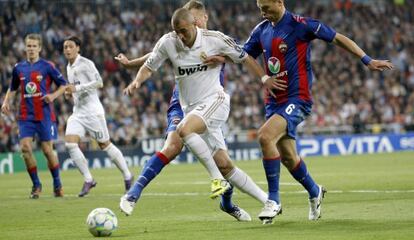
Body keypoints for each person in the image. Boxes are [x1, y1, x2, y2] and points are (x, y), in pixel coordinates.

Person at [119, 4, 284, 220]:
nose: (180, 35)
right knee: (225, 164)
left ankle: (215, 181)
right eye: (176, 31)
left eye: (184, 29)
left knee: (183, 131)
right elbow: (151, 61)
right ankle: (268, 201)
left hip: (215, 101)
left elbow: (243, 56)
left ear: (198, 21)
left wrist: (264, 78)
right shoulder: (169, 42)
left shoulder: (215, 39)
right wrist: (137, 80)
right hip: (188, 106)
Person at [243, 0, 394, 223]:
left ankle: (273, 200)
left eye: (266, 7)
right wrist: (264, 78)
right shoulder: (261, 30)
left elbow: (338, 38)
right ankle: (315, 191)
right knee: (287, 157)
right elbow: (244, 56)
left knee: (265, 136)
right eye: (259, 8)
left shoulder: (301, 25)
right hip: (274, 103)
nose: (262, 12)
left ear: (279, 2)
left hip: (298, 98)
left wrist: (367, 59)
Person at [63, 36, 133, 197]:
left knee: (105, 145)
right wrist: (70, 93)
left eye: (70, 46)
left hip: (93, 113)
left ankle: (128, 176)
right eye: (65, 47)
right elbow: (75, 88)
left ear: (78, 48)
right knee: (70, 144)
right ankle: (89, 179)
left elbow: (99, 82)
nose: (67, 49)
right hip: (78, 113)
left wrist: (77, 89)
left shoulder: (86, 63)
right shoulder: (69, 66)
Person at [0, 33, 68, 199]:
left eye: (33, 46)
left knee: (47, 150)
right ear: (25, 47)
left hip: (44, 115)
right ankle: (36, 185)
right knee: (25, 148)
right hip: (25, 116)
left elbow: (64, 85)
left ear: (39, 48)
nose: (30, 49)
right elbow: (13, 87)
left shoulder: (48, 66)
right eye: (28, 46)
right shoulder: (19, 68)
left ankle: (57, 183)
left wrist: (52, 96)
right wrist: (6, 101)